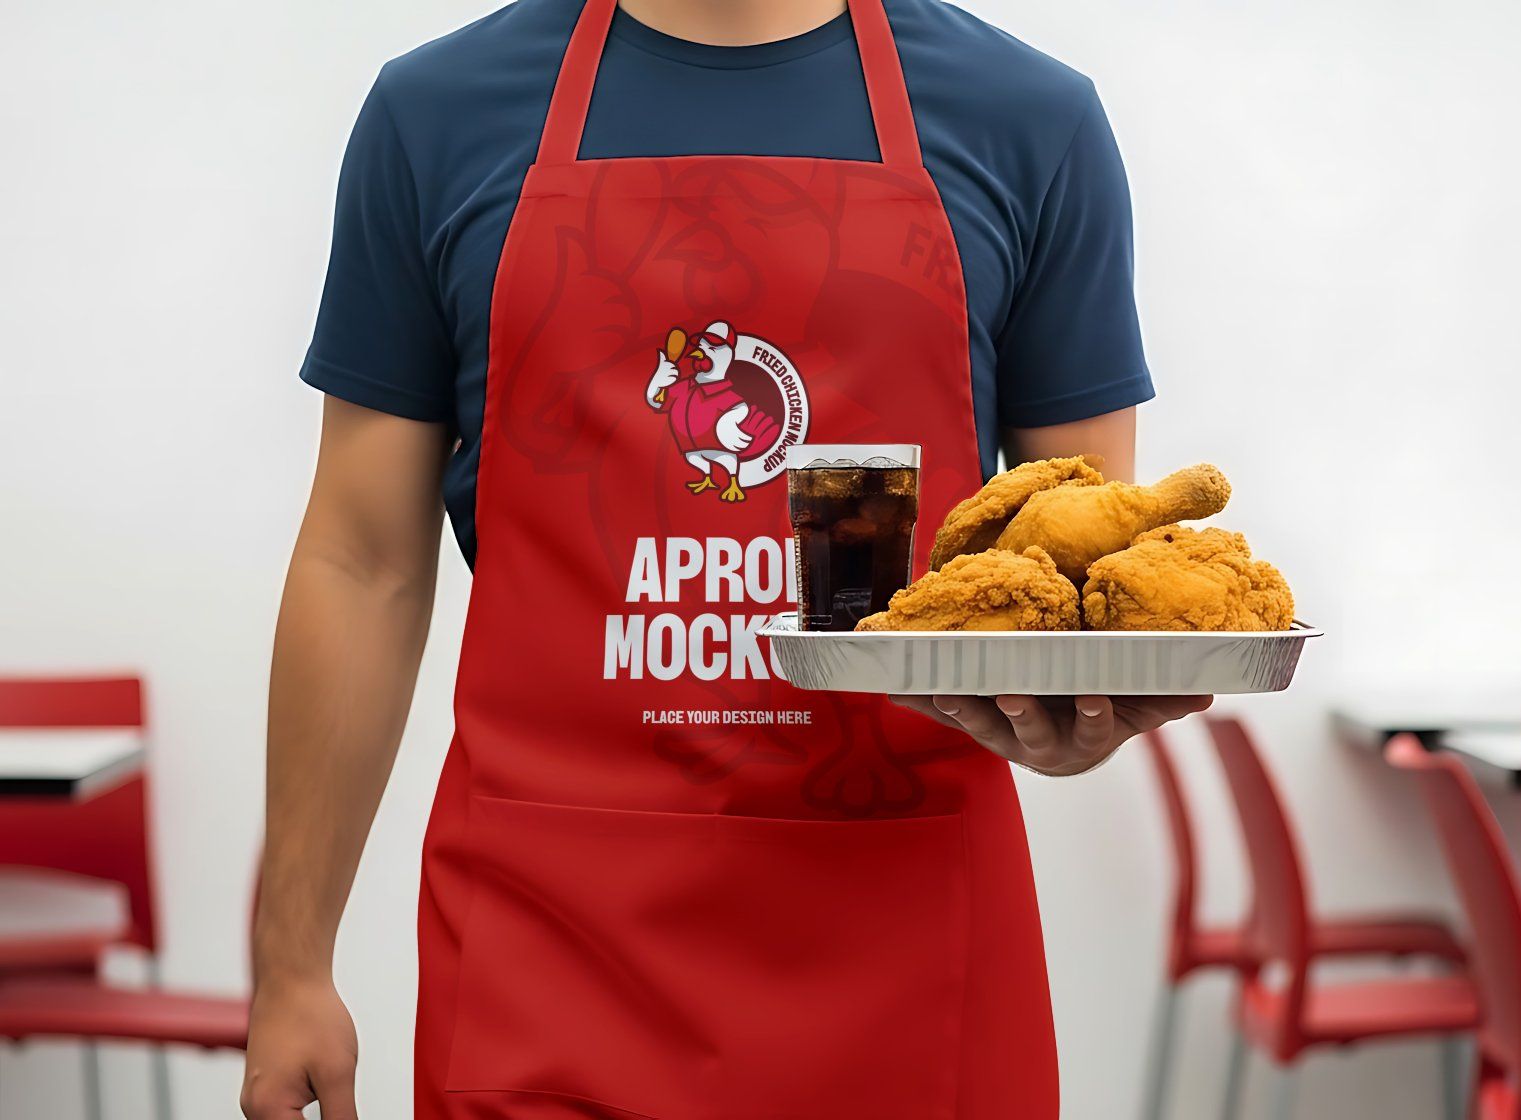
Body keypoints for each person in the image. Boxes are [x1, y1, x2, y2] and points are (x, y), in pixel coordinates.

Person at [241, 0, 1210, 1116]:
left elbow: (1078, 572)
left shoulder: (1030, 124)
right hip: (547, 953)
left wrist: (1075, 722)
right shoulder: (436, 116)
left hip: (908, 956)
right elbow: (362, 562)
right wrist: (293, 961)